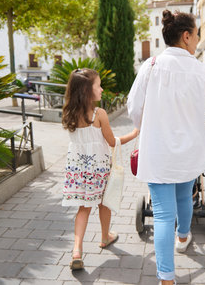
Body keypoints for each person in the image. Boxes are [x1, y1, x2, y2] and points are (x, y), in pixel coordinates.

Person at [127, 10, 205, 285]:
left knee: (163, 215)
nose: (197, 40)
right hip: (190, 153)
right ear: (186, 36)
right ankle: (184, 237)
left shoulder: (151, 65)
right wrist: (195, 124)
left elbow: (135, 109)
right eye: (196, 35)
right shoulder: (202, 70)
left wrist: (152, 125)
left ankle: (166, 279)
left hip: (157, 152)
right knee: (184, 195)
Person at [61, 68, 138, 270]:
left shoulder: (69, 113)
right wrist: (134, 133)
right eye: (98, 85)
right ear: (87, 90)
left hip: (77, 170)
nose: (102, 89)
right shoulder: (99, 114)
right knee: (103, 204)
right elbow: (112, 142)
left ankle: (77, 250)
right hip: (98, 170)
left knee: (83, 208)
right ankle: (105, 237)